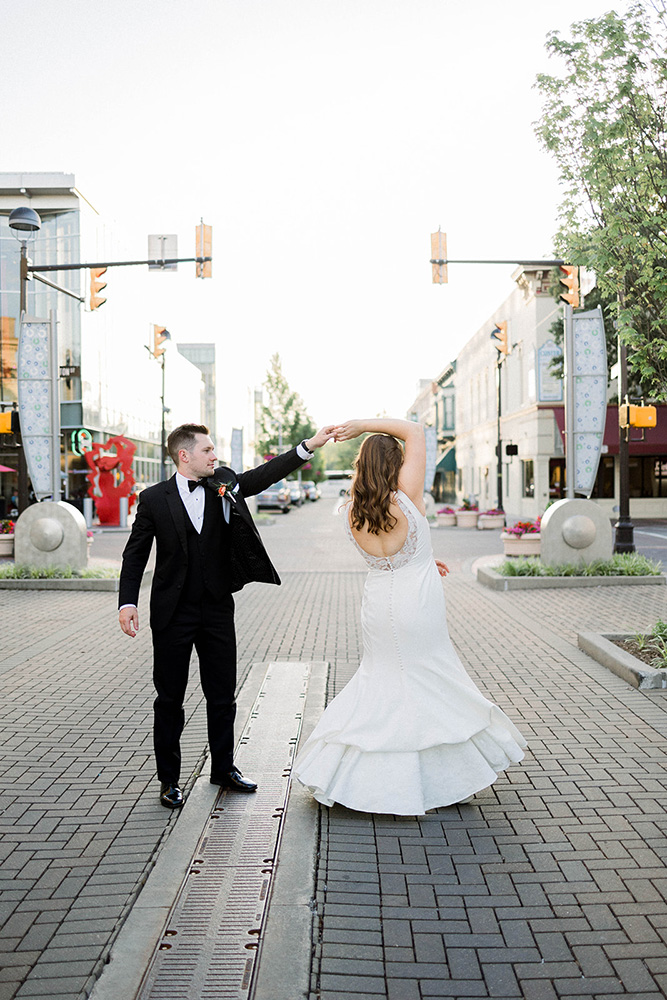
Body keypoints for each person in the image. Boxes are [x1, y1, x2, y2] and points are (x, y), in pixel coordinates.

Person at [294, 418, 527, 815]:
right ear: (396, 464)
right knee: (430, 678)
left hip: (379, 600)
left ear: (361, 466)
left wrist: (421, 558)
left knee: (381, 678)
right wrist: (363, 424)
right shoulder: (407, 496)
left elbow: (389, 555)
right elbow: (416, 429)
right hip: (416, 601)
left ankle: (361, 778)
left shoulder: (352, 509)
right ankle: (441, 779)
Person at [119, 422, 335, 809]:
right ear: (184, 456)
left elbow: (262, 476)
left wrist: (308, 446)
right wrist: (127, 602)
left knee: (222, 696)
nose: (214, 456)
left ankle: (224, 769)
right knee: (169, 699)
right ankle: (169, 781)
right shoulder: (153, 499)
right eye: (207, 451)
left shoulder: (224, 482)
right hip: (172, 614)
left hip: (217, 609)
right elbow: (135, 554)